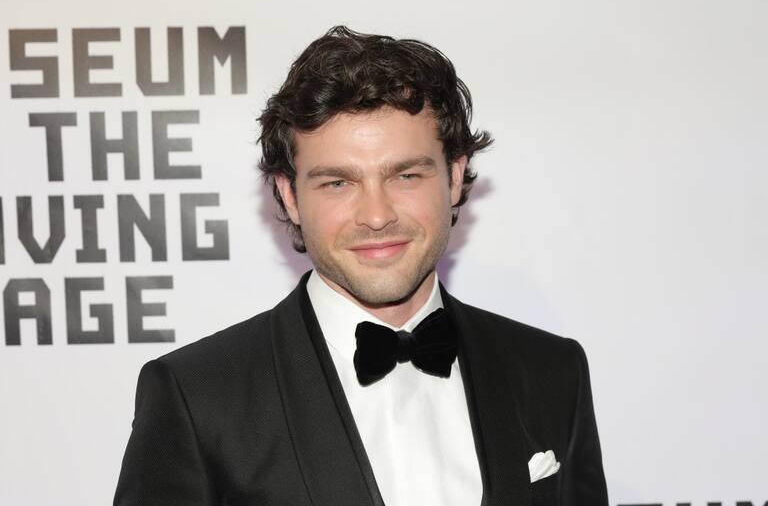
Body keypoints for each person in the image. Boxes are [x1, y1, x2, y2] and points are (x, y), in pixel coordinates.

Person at [114, 26, 608, 506]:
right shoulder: (197, 397)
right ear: (290, 196)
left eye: (406, 175)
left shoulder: (550, 371)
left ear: (454, 177)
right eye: (338, 183)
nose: (376, 215)